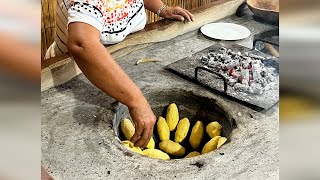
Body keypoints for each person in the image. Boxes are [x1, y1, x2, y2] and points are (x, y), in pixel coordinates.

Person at [45, 0, 193, 148]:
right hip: (74, 72)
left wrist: (161, 8)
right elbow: (81, 44)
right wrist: (136, 100)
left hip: (117, 61)